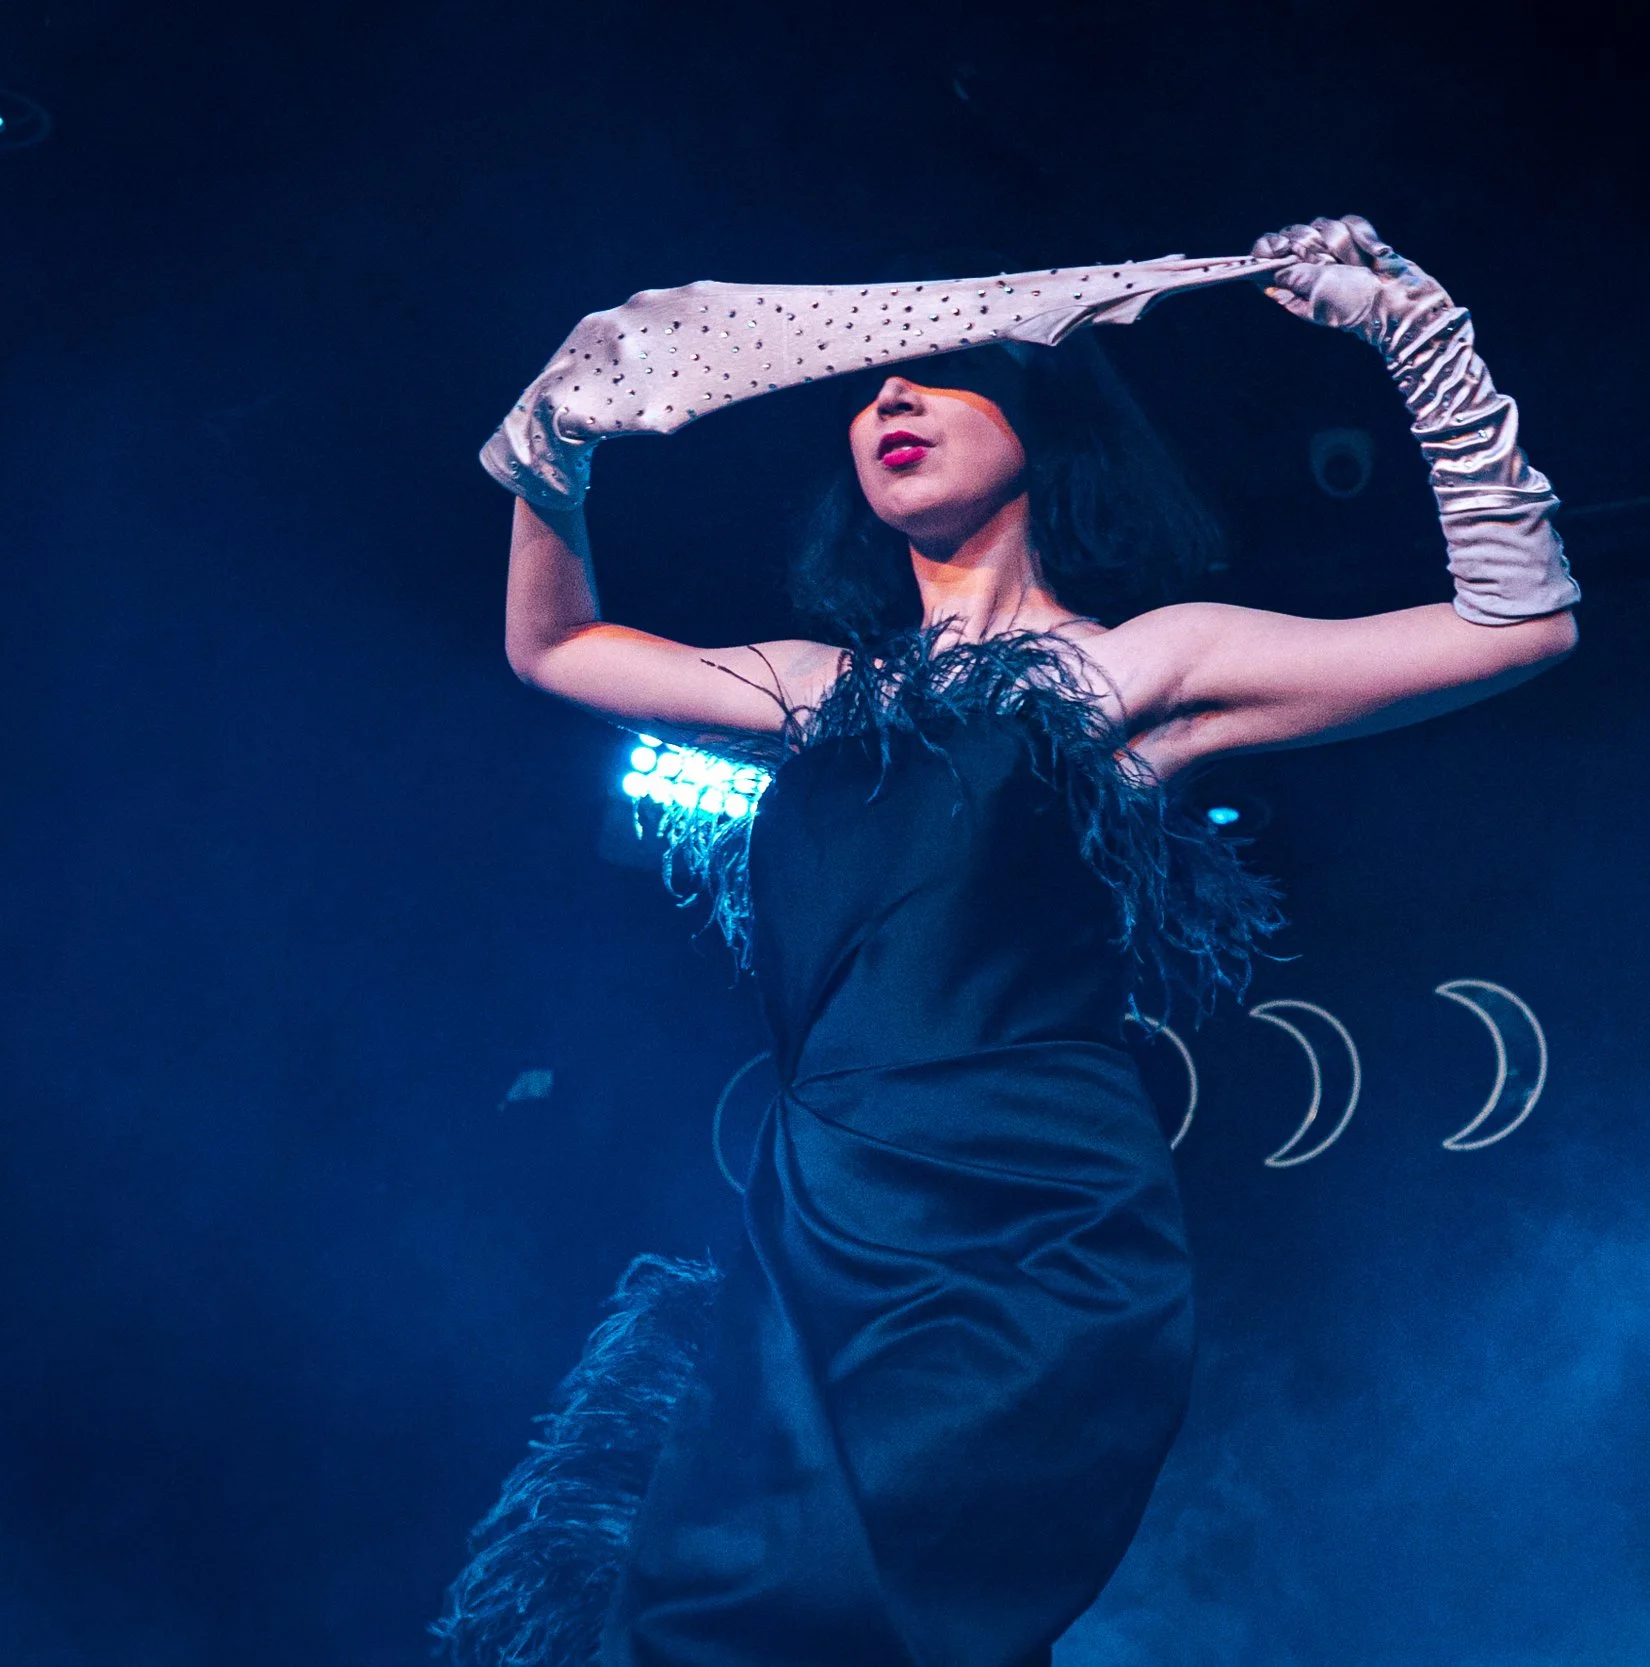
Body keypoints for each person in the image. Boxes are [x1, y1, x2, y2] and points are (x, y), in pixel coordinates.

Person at [439, 217, 1580, 1667]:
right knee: (703, 1612)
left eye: (938, 378)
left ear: (1041, 424)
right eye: (867, 391)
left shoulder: (1134, 665)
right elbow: (555, 647)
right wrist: (553, 454)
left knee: (879, 1605)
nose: (889, 403)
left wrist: (1417, 336)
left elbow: (1518, 623)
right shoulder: (816, 688)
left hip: (1021, 1240)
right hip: (819, 1234)